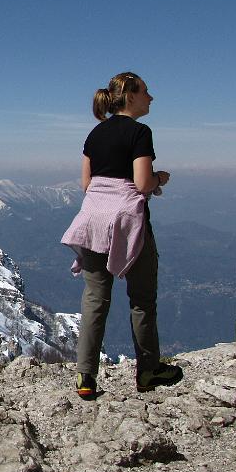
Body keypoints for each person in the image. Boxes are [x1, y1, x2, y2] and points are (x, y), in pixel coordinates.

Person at [61, 72, 183, 399]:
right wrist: (159, 178)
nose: (151, 97)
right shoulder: (140, 132)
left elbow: (87, 185)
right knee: (142, 299)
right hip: (127, 223)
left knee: (95, 300)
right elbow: (142, 184)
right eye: (146, 91)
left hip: (91, 222)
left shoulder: (95, 133)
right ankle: (148, 371)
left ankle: (85, 377)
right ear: (130, 95)